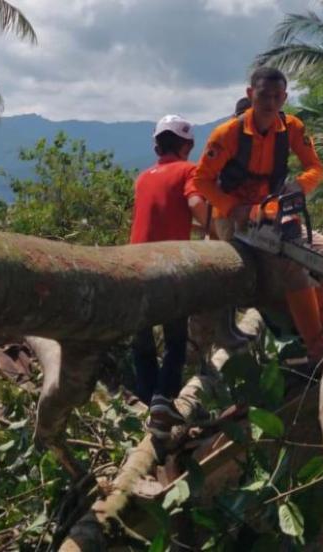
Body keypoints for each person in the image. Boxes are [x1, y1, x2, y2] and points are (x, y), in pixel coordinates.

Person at [193, 67, 323, 364]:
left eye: (277, 96)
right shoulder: (228, 134)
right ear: (251, 94)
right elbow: (201, 181)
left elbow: (315, 167)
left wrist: (296, 188)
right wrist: (232, 207)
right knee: (291, 262)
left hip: (272, 213)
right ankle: (315, 345)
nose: (270, 102)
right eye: (264, 95)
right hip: (236, 219)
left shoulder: (291, 128)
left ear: (285, 97)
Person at [129, 114, 208, 438]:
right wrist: (214, 227)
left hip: (133, 264)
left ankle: (149, 404)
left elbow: (161, 215)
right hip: (168, 265)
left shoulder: (143, 177)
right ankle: (163, 401)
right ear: (186, 145)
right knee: (175, 340)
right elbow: (193, 202)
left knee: (142, 341)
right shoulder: (188, 170)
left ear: (157, 145)